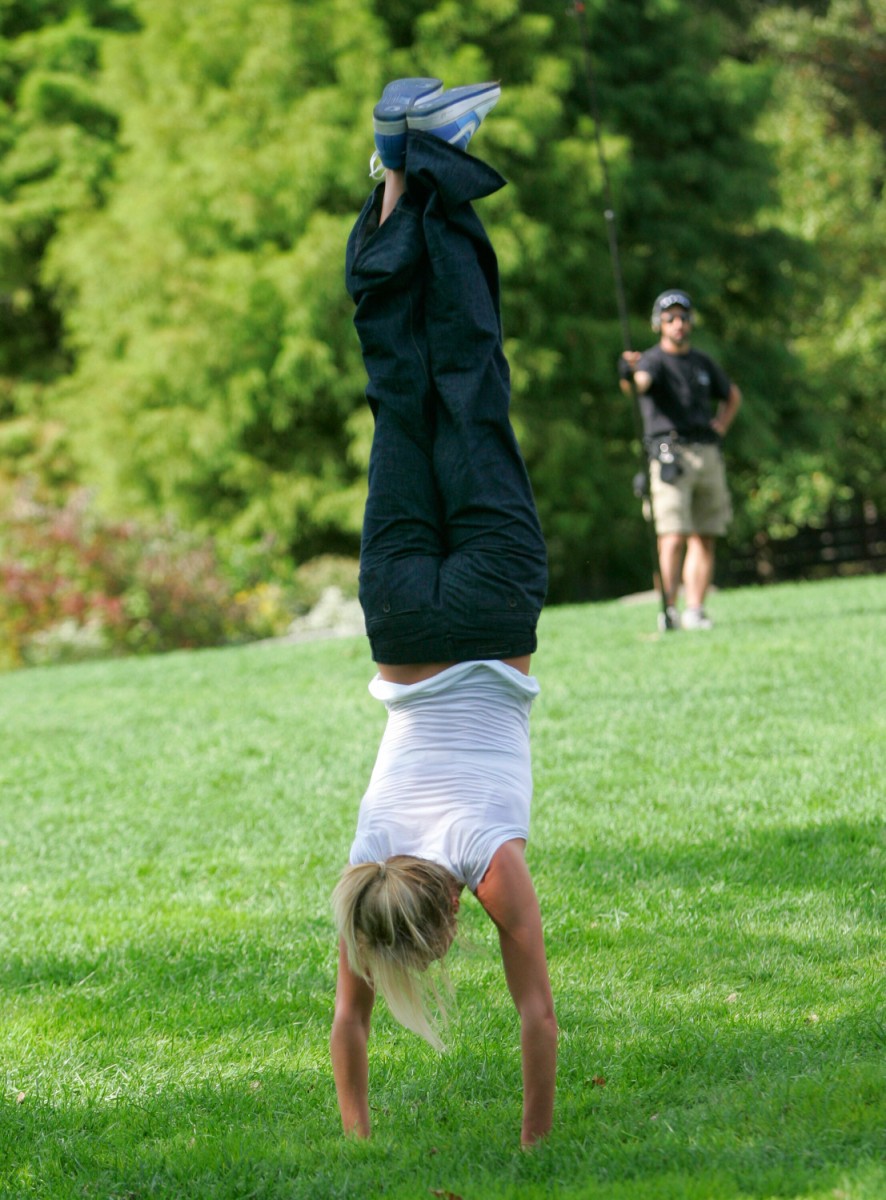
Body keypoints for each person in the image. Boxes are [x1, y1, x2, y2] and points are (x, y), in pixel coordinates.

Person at [330, 78, 557, 1149]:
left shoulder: (484, 861)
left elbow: (537, 1015)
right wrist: (354, 1126)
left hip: (493, 610)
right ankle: (398, 168)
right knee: (399, 394)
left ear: (443, 917)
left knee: (469, 384)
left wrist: (533, 1142)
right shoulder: (362, 872)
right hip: (403, 629)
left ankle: (438, 171)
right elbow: (345, 1023)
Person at [620, 290, 741, 631]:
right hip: (668, 456)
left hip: (706, 452)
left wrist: (721, 424)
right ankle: (668, 609)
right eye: (670, 317)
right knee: (671, 535)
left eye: (683, 317)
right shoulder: (653, 361)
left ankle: (695, 609)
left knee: (705, 534)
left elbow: (732, 394)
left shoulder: (702, 362)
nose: (678, 324)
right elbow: (638, 385)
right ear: (659, 323)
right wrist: (627, 372)